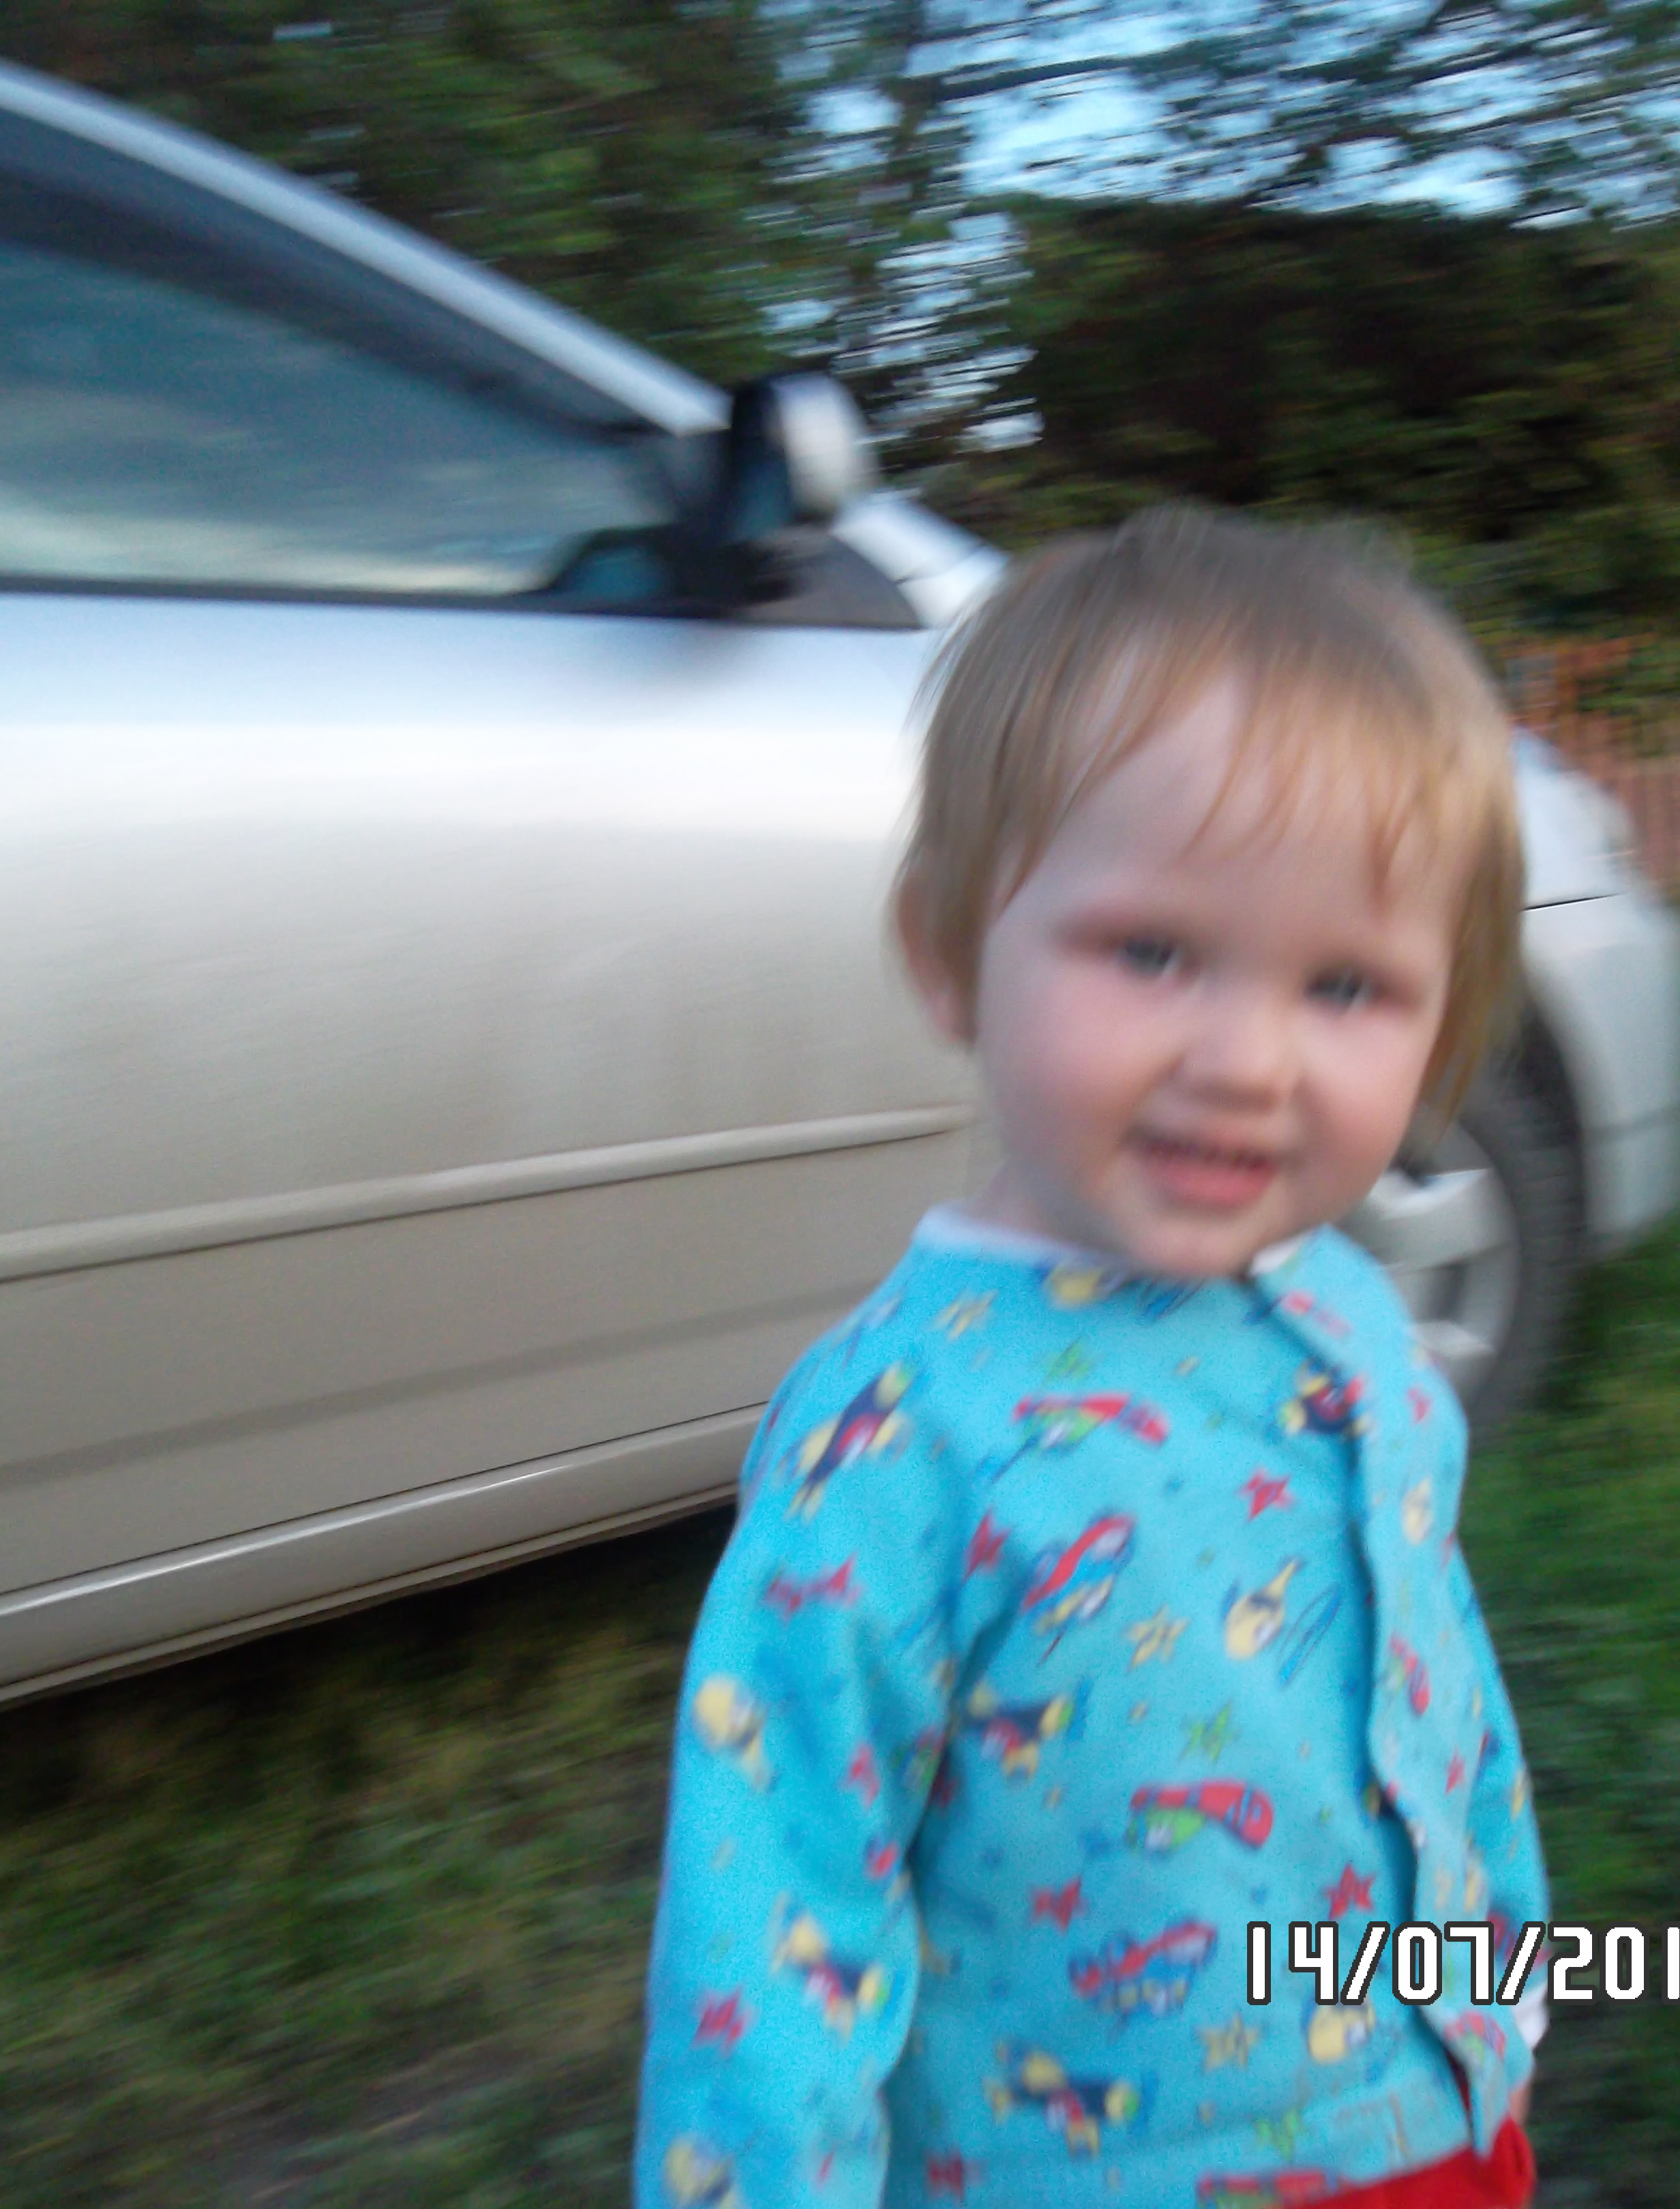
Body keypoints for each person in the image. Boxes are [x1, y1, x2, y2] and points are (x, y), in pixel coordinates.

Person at [635, 506, 1550, 2209]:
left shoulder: (1355, 1320)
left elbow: (1433, 1671)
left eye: (1347, 986)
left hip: (1435, 2122)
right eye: (1152, 953)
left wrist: (1501, 1961)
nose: (1248, 1060)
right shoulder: (904, 1435)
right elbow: (776, 1907)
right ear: (948, 953)